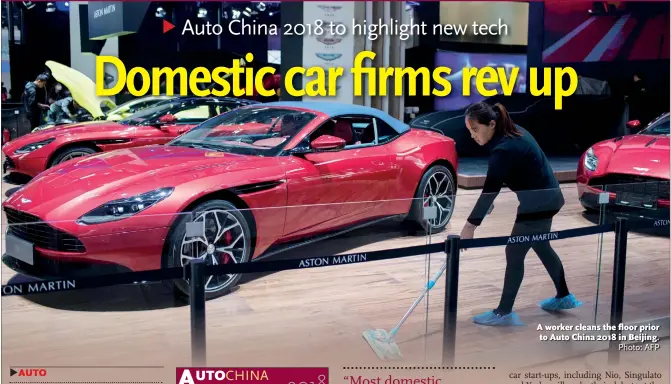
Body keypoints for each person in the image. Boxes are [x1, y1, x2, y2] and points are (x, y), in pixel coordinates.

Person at [460, 101, 582, 327]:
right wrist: (486, 206)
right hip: (548, 198)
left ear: (492, 123)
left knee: (514, 251)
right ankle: (564, 296)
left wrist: (469, 228)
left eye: (475, 130)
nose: (472, 136)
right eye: (470, 131)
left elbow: (489, 191)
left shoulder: (504, 148)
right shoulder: (513, 132)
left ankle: (503, 312)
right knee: (541, 244)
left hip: (539, 203)